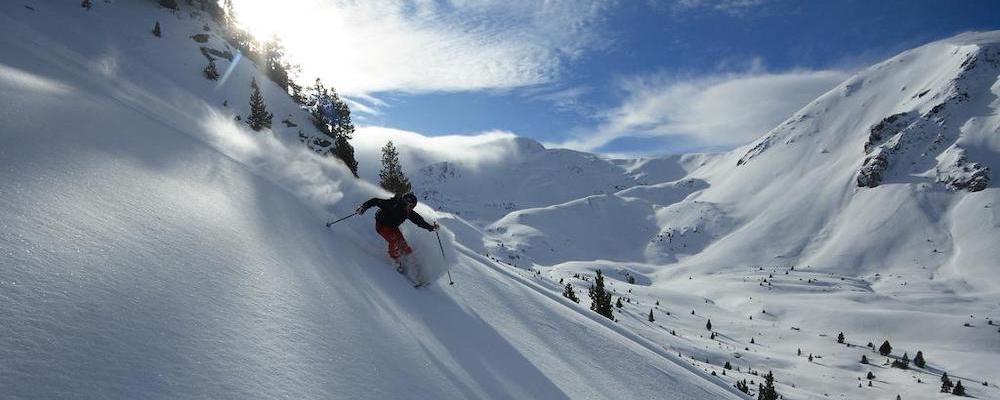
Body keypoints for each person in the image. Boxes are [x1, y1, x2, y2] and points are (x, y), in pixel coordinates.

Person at [357, 192, 438, 269]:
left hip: (393, 228)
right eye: (411, 206)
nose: (411, 208)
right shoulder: (392, 204)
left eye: (412, 207)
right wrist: (363, 207)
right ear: (406, 202)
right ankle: (395, 260)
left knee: (404, 246)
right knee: (394, 242)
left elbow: (419, 221)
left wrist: (431, 227)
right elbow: (375, 201)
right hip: (382, 226)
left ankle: (412, 263)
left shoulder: (408, 212)